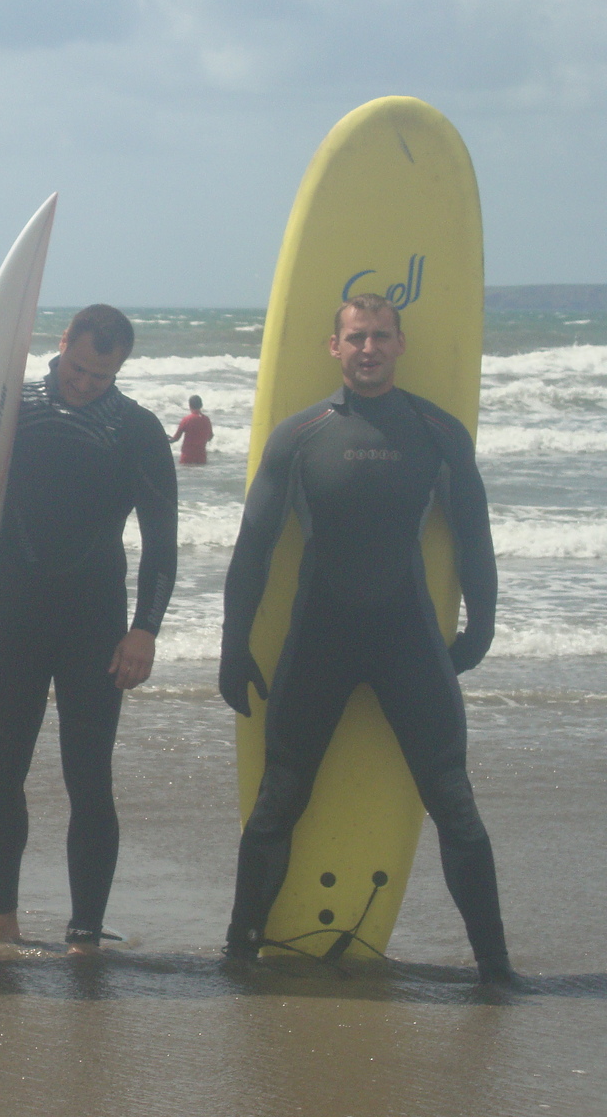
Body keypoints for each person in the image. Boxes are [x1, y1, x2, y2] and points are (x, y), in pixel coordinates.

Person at [219, 293, 515, 986]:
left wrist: (482, 624)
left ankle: (497, 968)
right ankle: (238, 952)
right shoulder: (299, 435)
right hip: (318, 640)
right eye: (356, 337)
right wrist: (234, 644)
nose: (369, 348)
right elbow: (254, 545)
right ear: (335, 347)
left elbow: (473, 536)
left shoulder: (437, 432)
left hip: (407, 640)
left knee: (454, 803)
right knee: (278, 800)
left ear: (400, 344)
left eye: (381, 336)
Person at [0, 304, 178, 952]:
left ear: (121, 367)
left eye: (101, 375)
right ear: (62, 342)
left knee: (89, 778)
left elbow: (162, 541)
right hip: (12, 615)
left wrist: (145, 629)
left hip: (96, 623)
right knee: (1, 772)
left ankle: (85, 929)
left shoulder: (137, 429)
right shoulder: (9, 408)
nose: (85, 383)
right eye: (78, 367)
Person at [169, 394, 214, 464]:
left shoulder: (186, 419)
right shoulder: (206, 420)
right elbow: (210, 437)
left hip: (187, 457)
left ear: (189, 406)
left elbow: (176, 438)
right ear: (201, 405)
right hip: (201, 458)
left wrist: (166, 439)